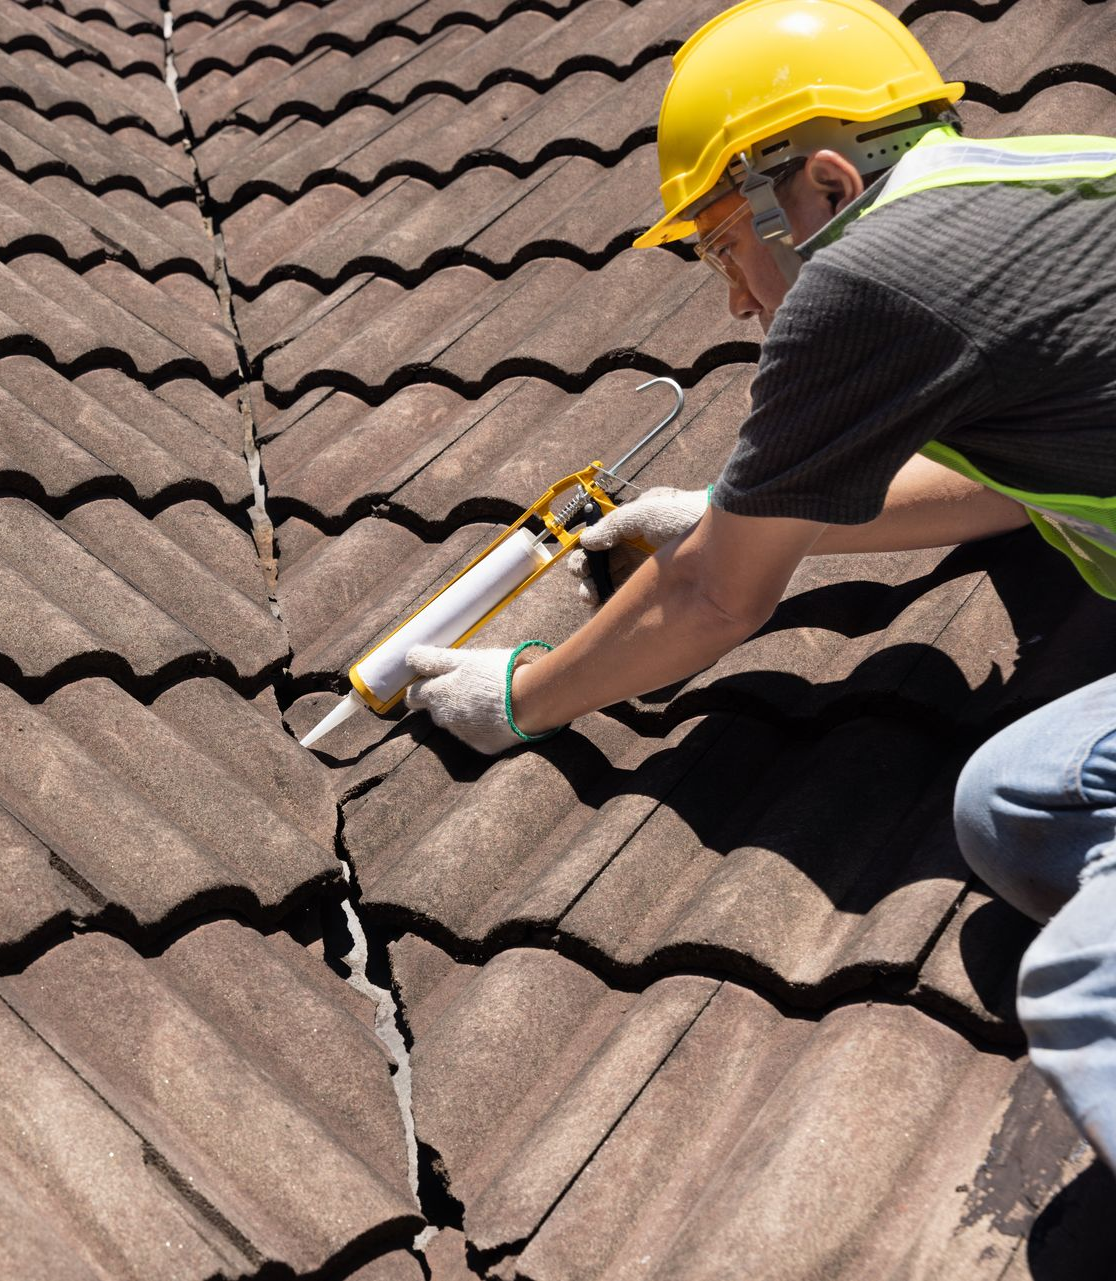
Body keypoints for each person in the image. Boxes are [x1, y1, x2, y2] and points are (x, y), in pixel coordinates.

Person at [405, 0, 1116, 1171]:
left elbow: (711, 606)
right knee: (1014, 806)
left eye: (723, 243)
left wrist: (521, 694)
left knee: (1090, 991)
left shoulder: (870, 276)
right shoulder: (1055, 171)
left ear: (826, 188)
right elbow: (1011, 482)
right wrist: (763, 517)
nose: (734, 299)